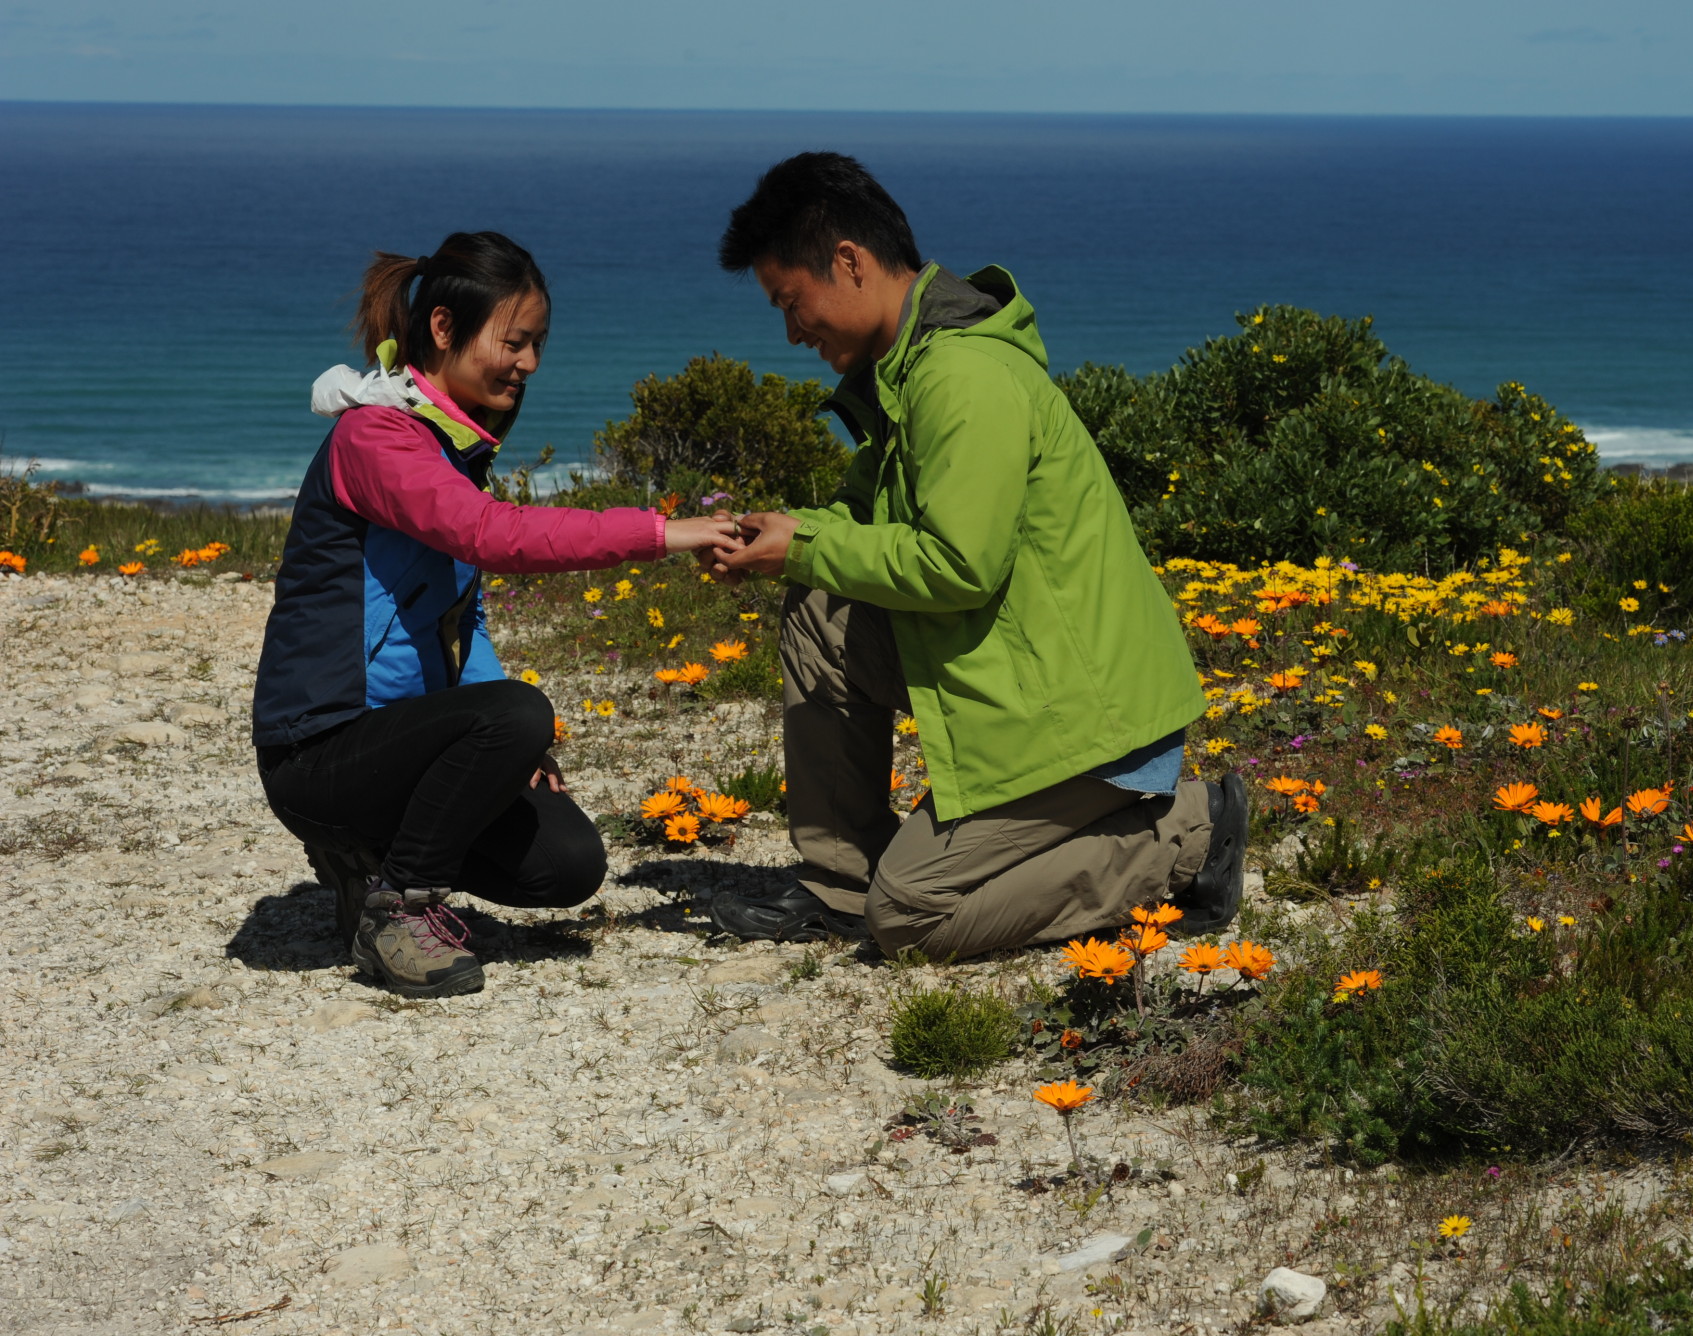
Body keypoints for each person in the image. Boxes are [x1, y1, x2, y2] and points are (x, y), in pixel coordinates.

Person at [703, 152, 1248, 959]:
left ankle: (1188, 832)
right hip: (1022, 681)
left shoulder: (959, 376)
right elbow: (856, 522)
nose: (792, 331)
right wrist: (774, 538)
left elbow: (960, 566)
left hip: (1081, 720)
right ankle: (839, 881)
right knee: (819, 607)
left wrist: (807, 544)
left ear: (848, 262)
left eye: (793, 302)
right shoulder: (909, 373)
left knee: (913, 917)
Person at [252, 230, 741, 998]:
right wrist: (659, 532)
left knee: (569, 861)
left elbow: (459, 615)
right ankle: (397, 909)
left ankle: (366, 860)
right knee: (517, 713)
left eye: (538, 343)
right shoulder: (376, 437)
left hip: (396, 751)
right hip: (317, 754)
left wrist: (513, 751)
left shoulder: (451, 447)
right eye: (514, 342)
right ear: (443, 328)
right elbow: (494, 537)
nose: (530, 365)